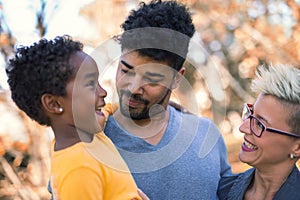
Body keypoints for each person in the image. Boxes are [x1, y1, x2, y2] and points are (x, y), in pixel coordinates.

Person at [103, 0, 232, 199]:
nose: (133, 88)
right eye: (126, 70)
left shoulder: (207, 136)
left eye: (151, 79)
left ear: (176, 78)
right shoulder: (90, 139)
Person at [6, 35, 145, 200]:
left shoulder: (91, 133)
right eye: (90, 84)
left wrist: (161, 103)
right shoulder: (79, 167)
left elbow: (109, 108)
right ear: (53, 103)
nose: (103, 92)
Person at [218, 64, 300, 200]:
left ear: (297, 147)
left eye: (260, 124)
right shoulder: (222, 191)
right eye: (250, 114)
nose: (243, 128)